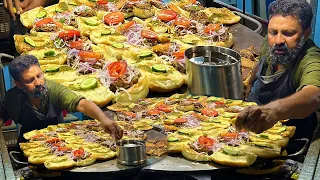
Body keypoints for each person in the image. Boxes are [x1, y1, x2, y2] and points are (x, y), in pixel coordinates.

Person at [236, 0, 320, 141]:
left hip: (287, 139)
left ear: (306, 33)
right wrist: (250, 83)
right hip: (249, 129)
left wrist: (274, 110)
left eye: (289, 33)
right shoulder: (273, 42)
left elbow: (314, 95)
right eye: (273, 32)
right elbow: (261, 61)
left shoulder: (310, 59)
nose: (278, 40)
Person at [0, 55, 123, 144]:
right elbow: (2, 115)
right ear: (19, 84)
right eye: (30, 80)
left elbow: (81, 104)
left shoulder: (54, 90)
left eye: (39, 75)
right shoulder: (13, 97)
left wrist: (103, 119)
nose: (38, 83)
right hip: (29, 143)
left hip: (60, 140)